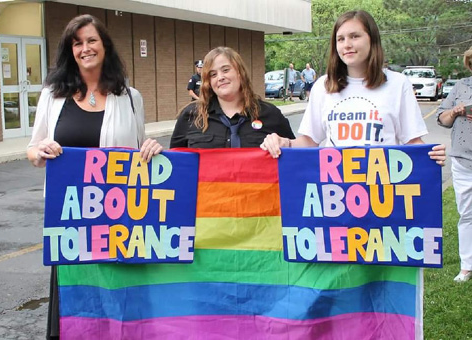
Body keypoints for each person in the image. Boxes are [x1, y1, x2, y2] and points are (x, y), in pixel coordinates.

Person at [26, 14, 162, 339]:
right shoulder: (52, 96)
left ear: (104, 46)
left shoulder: (130, 97)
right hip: (71, 219)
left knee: (116, 299)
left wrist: (152, 148)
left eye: (91, 41)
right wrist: (40, 151)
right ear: (70, 50)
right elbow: (32, 151)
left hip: (117, 219)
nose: (85, 48)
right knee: (75, 304)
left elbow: (138, 152)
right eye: (78, 43)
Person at [261, 10, 445, 165]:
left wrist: (431, 157)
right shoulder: (323, 86)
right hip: (335, 192)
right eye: (340, 39)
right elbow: (310, 140)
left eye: (355, 36)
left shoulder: (398, 84)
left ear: (372, 40)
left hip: (384, 191)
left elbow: (412, 140)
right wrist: (284, 142)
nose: (347, 44)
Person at [170, 46, 295, 148]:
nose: (220, 77)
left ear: (240, 73)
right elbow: (174, 165)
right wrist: (154, 154)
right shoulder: (191, 115)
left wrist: (286, 144)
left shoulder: (270, 114)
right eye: (213, 74)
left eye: (225, 70)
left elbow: (297, 160)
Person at [436, 46, 472, 282]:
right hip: (463, 161)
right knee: (466, 213)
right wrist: (456, 111)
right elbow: (441, 118)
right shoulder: (460, 86)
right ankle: (467, 266)